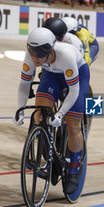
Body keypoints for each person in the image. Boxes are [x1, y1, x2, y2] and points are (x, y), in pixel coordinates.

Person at [13, 27, 90, 194]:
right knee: (39, 112)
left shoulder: (66, 55)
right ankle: (47, 149)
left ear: (50, 50)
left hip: (77, 76)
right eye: (32, 53)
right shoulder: (32, 57)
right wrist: (20, 109)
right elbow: (24, 84)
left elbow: (73, 91)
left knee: (72, 124)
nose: (35, 58)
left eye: (40, 55)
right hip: (52, 74)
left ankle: (74, 169)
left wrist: (61, 113)